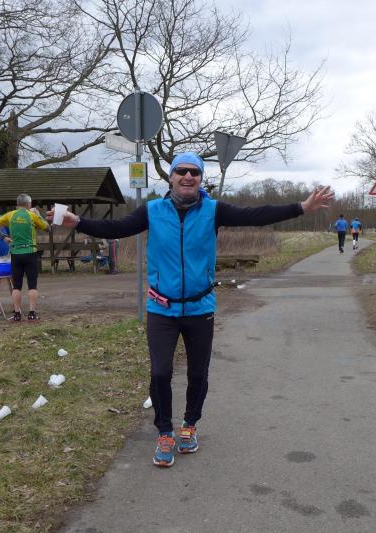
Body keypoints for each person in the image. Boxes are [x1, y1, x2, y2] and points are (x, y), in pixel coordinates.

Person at [49, 152, 333, 468]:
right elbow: (116, 228)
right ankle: (164, 432)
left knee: (198, 373)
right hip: (162, 308)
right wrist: (80, 222)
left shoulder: (214, 210)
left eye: (194, 172)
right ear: (171, 177)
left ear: (200, 179)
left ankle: (189, 425)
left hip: (200, 308)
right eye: (181, 171)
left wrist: (301, 208)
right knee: (160, 372)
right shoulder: (152, 211)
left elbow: (256, 215)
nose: (188, 176)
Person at [0, 193, 49, 322]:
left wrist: (3, 237)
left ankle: (17, 314)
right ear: (28, 204)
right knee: (32, 285)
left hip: (15, 253)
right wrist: (39, 215)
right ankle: (32, 313)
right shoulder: (32, 215)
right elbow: (48, 228)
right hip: (30, 252)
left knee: (16, 286)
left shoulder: (10, 215)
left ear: (17, 204)